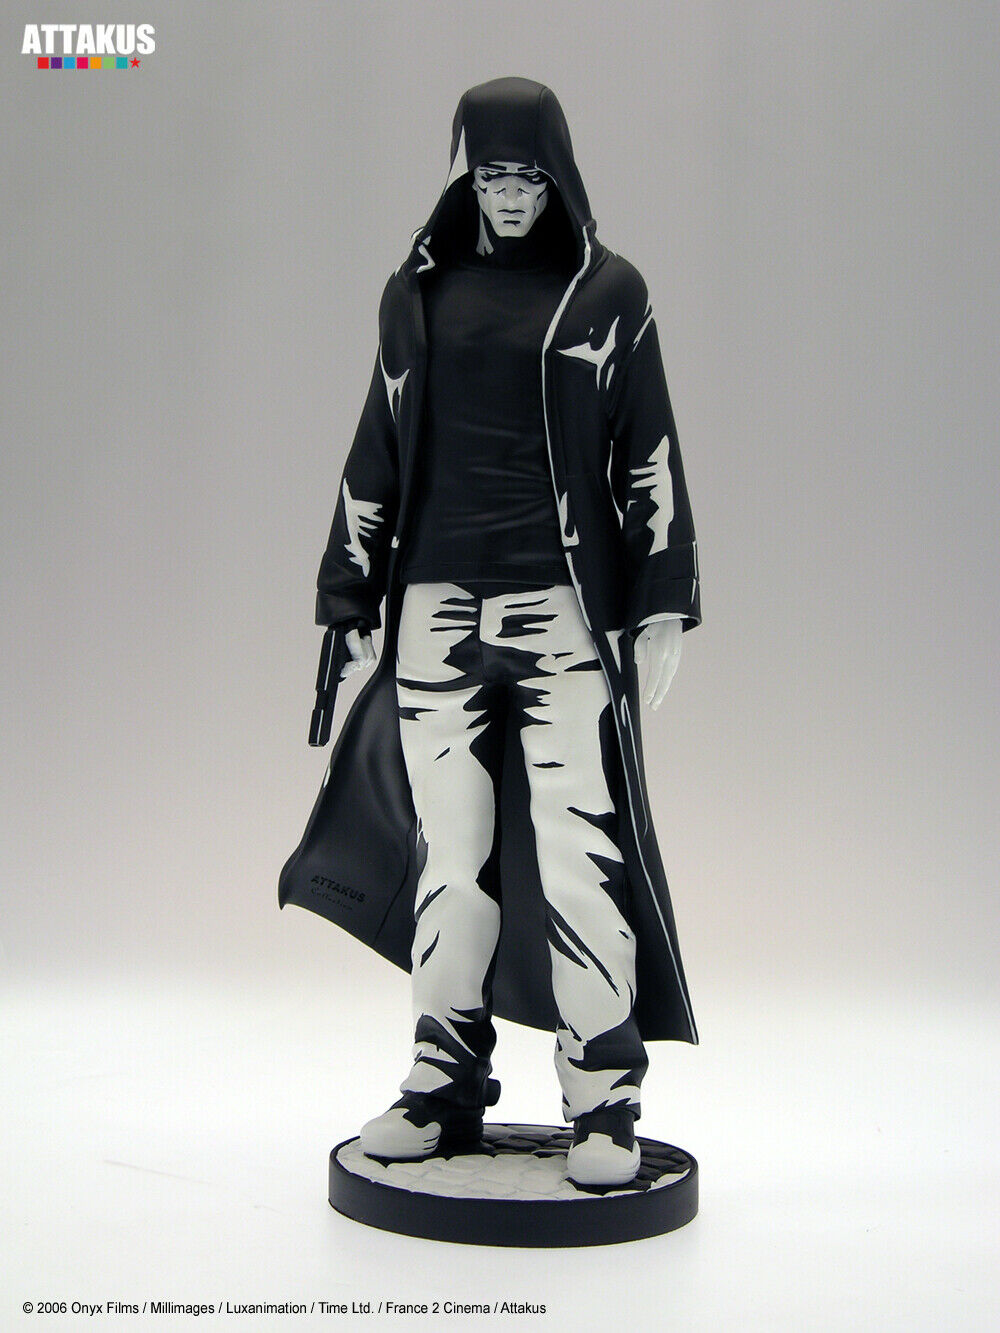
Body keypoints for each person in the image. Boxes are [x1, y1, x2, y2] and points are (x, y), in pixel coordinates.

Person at [279, 77, 701, 1187]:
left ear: (558, 175)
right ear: (464, 176)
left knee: (579, 858)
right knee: (447, 859)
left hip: (562, 616)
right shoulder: (413, 295)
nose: (510, 195)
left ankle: (601, 1096)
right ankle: (443, 1078)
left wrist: (662, 595)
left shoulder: (607, 293)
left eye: (529, 176)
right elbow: (376, 446)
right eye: (491, 175)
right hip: (435, 613)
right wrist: (348, 595)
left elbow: (648, 447)